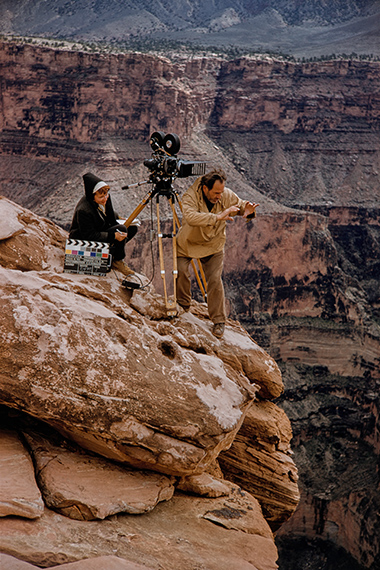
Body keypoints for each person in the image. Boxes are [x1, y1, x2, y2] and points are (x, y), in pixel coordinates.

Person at [176, 168, 258, 339]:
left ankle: (219, 321)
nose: (219, 196)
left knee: (214, 280)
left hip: (214, 245)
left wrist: (248, 211)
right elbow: (190, 217)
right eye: (216, 192)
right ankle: (183, 305)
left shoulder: (225, 194)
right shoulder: (190, 196)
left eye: (221, 192)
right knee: (181, 271)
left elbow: (240, 205)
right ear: (205, 188)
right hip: (188, 242)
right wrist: (218, 217)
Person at [69, 172, 137, 276]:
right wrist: (113, 236)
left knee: (132, 228)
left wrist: (118, 218)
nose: (105, 198)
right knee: (121, 229)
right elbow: (89, 235)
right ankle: (118, 261)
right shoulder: (84, 210)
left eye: (106, 195)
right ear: (93, 196)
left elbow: (108, 212)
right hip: (84, 238)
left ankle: (111, 254)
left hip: (99, 229)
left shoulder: (104, 198)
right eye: (101, 197)